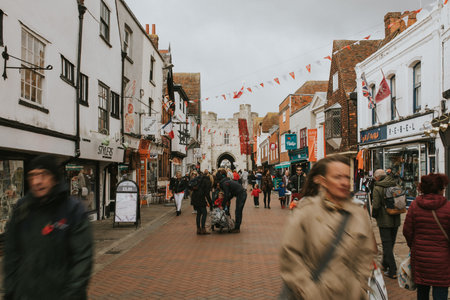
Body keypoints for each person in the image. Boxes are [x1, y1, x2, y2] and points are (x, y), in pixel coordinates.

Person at [279, 155, 376, 299]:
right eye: (337, 177)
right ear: (323, 181)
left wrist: (360, 287)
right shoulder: (306, 212)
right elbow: (290, 257)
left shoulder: (358, 214)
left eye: (347, 177)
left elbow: (367, 255)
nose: (344, 182)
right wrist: (309, 291)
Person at [4, 155, 93, 299]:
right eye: (32, 176)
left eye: (43, 175)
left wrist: (72, 294)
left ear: (54, 178)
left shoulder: (73, 210)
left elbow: (82, 260)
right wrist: (11, 290)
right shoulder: (22, 208)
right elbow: (12, 255)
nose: (37, 181)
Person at [403, 173, 450, 300]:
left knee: (422, 292)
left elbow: (407, 231)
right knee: (440, 293)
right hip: (442, 261)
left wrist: (414, 245)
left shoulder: (414, 206)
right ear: (440, 189)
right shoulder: (448, 207)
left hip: (420, 259)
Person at [372, 169, 400, 279]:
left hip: (384, 220)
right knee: (390, 243)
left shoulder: (378, 187)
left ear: (377, 177)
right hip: (396, 218)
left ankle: (393, 270)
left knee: (386, 245)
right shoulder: (394, 184)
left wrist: (374, 215)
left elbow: (376, 205)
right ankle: (385, 263)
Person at [216, 168, 247, 233]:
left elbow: (226, 195)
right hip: (241, 193)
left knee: (238, 210)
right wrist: (227, 200)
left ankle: (237, 228)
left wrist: (222, 205)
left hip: (241, 194)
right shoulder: (227, 182)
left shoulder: (224, 184)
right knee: (238, 210)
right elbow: (232, 193)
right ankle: (237, 226)